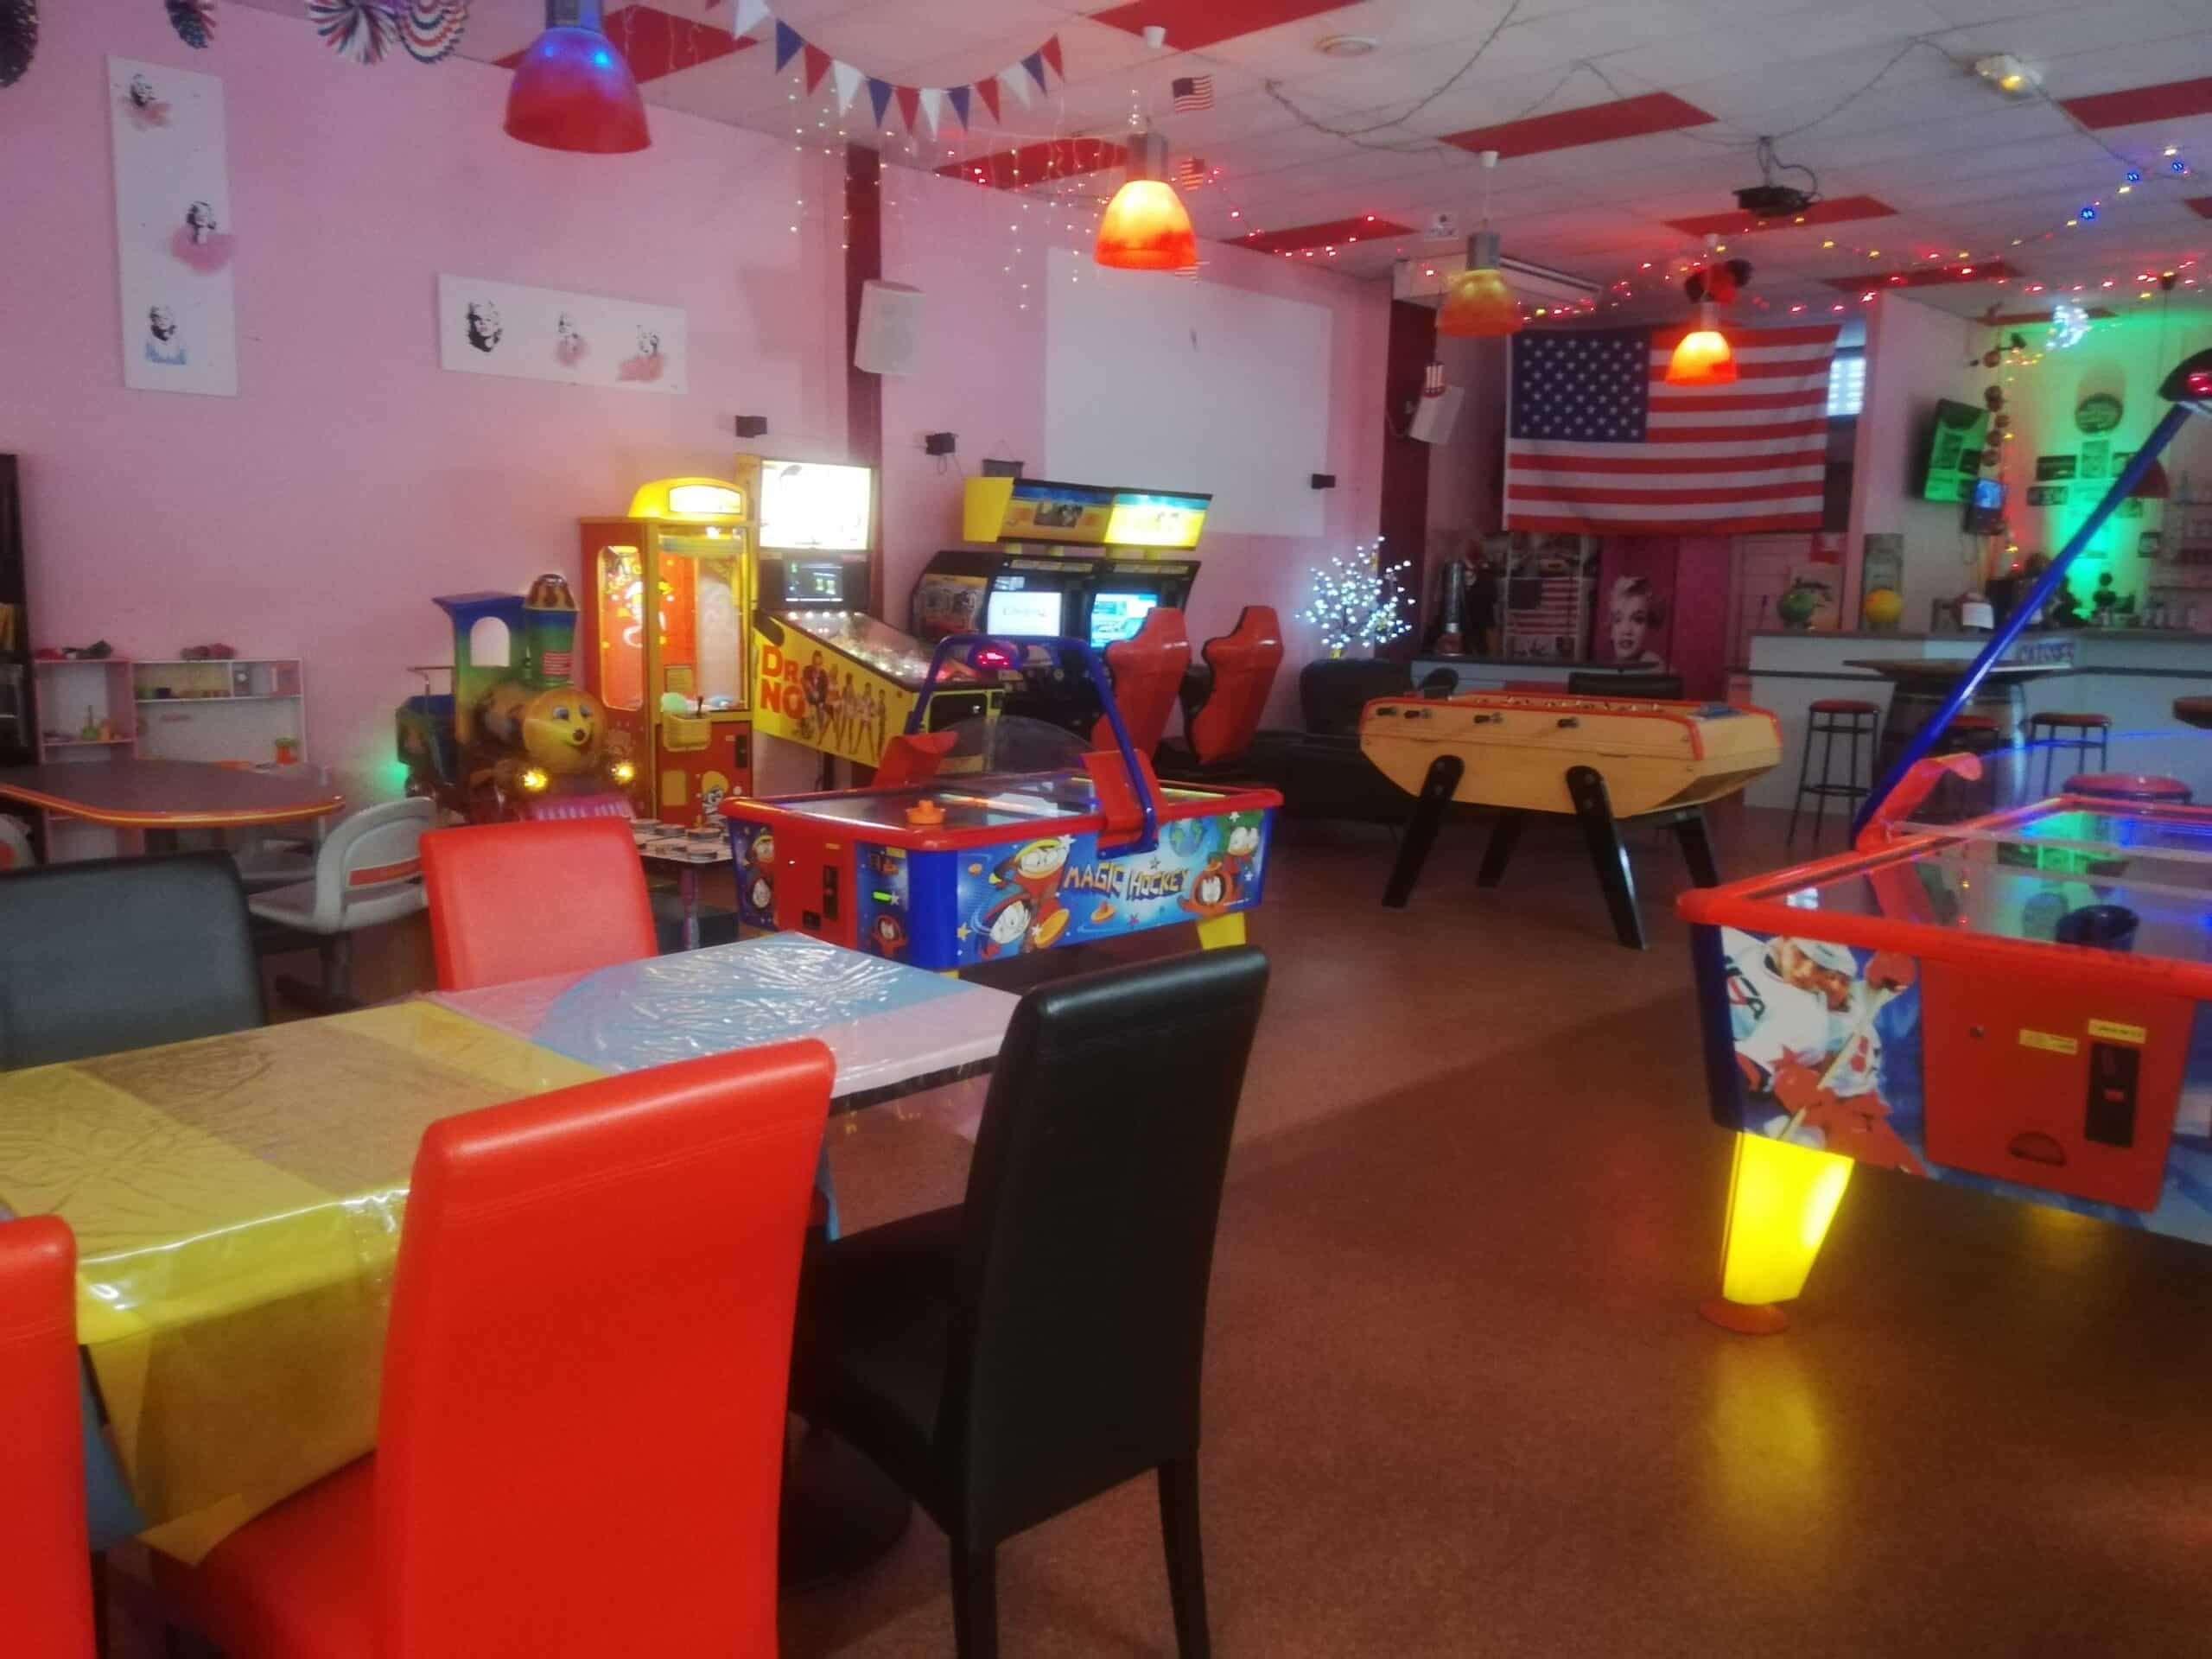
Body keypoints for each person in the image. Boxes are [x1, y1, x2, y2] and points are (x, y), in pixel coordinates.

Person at [1607, 575, 1665, 667]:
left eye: (1637, 620)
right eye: (1618, 620)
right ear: (1611, 630)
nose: (1626, 630)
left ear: (1649, 626)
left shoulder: (1657, 669)